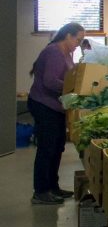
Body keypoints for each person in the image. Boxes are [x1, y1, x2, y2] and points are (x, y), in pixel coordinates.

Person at [28, 22, 85, 204]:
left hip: (55, 107)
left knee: (57, 147)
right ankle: (41, 191)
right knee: (47, 148)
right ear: (68, 36)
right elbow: (50, 81)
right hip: (44, 106)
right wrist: (74, 88)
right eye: (78, 39)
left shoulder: (66, 53)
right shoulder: (53, 51)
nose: (79, 43)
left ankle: (53, 187)